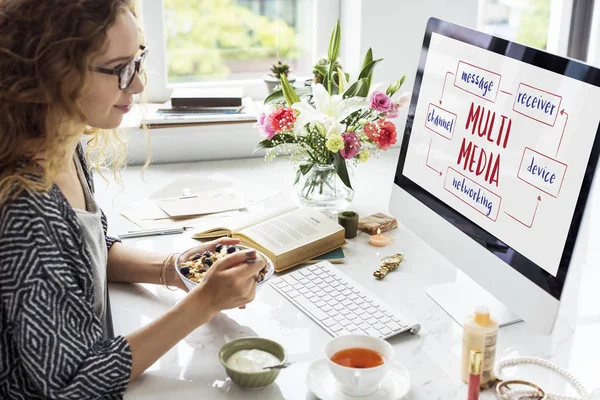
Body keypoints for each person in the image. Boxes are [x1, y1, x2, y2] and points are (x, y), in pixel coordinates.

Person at [0, 1, 265, 398]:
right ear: (56, 73)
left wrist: (173, 269)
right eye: (121, 68)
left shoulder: (63, 144)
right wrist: (204, 304)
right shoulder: (24, 209)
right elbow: (71, 383)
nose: (139, 84)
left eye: (139, 60)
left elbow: (82, 257)